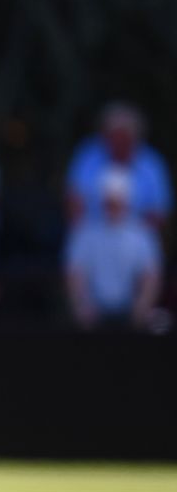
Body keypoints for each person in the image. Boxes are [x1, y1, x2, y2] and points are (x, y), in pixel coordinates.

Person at [65, 169, 163, 330]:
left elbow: (151, 276)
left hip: (131, 318)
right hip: (94, 318)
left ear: (127, 201)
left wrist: (142, 306)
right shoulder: (85, 233)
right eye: (109, 201)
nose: (112, 206)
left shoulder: (142, 236)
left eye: (117, 201)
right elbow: (75, 273)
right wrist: (81, 305)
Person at [66, 102, 172, 231]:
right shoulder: (88, 156)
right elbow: (73, 200)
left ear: (135, 138)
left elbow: (160, 211)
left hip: (136, 236)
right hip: (92, 231)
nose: (118, 143)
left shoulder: (152, 164)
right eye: (113, 137)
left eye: (123, 138)